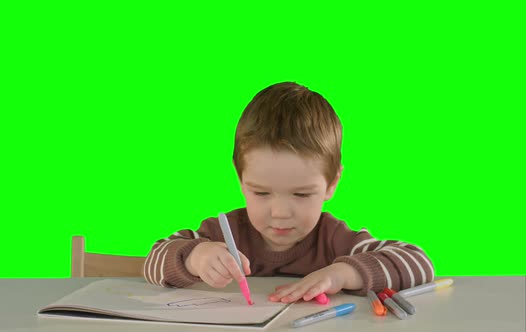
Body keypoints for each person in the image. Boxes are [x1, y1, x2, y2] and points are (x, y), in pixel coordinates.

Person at [143, 82, 434, 303]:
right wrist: (195, 257)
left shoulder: (334, 239)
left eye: (302, 195)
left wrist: (341, 274)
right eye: (261, 193)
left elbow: (419, 263)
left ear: (332, 182)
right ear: (240, 178)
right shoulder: (223, 234)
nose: (280, 212)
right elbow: (154, 259)